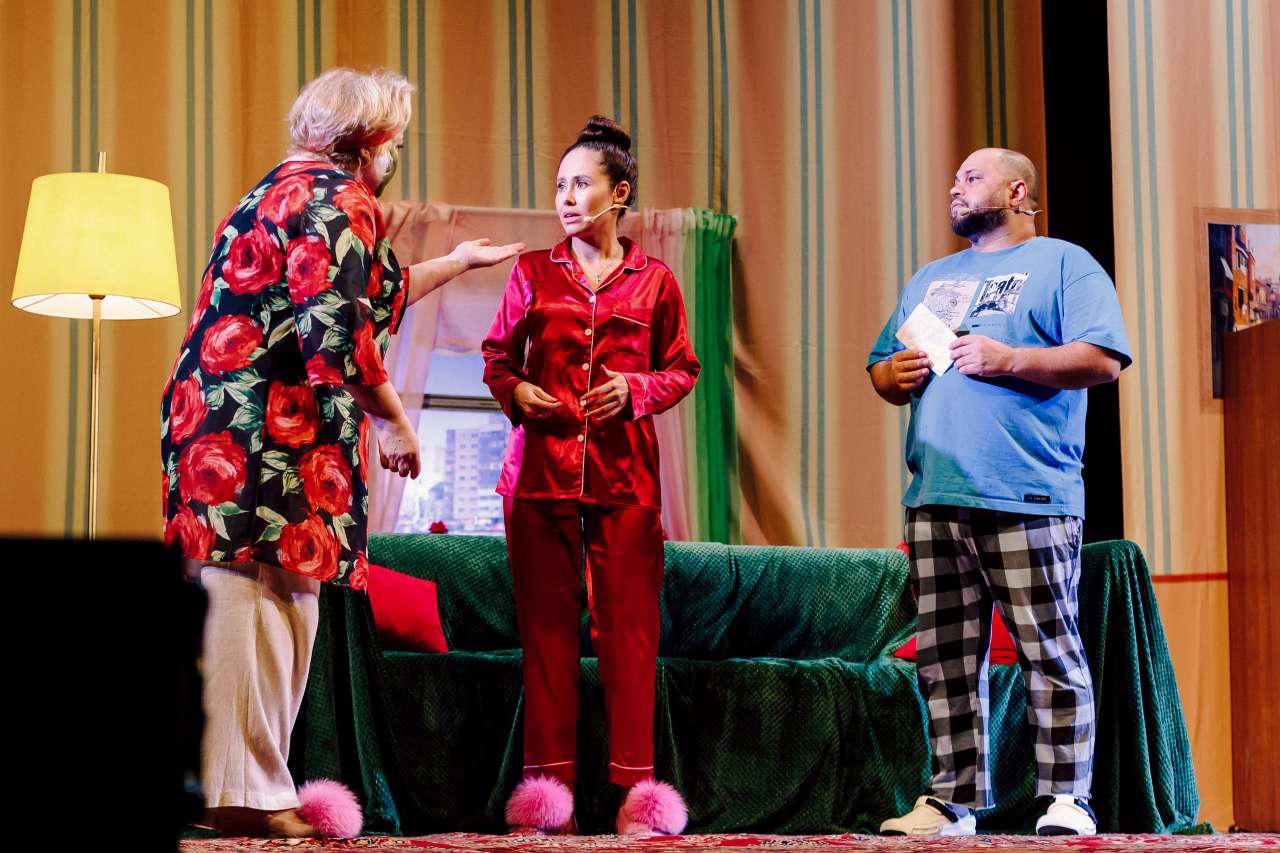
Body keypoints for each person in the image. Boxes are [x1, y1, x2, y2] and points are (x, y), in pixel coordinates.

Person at [160, 67, 522, 838]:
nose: (396, 156)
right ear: (373, 141)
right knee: (262, 599)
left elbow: (369, 294)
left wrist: (458, 262)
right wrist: (393, 421)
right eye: (397, 141)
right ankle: (246, 793)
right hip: (263, 433)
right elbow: (338, 334)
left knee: (279, 600)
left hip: (230, 423)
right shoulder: (337, 199)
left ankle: (245, 787)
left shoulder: (279, 190)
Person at [867, 148, 1132, 837]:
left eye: (972, 177)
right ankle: (951, 801)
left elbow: (1103, 358)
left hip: (1028, 494)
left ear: (1018, 191)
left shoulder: (1065, 263)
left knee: (1048, 649)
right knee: (945, 657)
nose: (955, 187)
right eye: (954, 178)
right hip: (935, 494)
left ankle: (1066, 798)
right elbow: (882, 370)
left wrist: (1008, 357)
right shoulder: (931, 277)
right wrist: (894, 374)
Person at [482, 115, 699, 836]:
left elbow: (682, 369)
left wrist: (636, 390)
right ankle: (548, 796)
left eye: (581, 184)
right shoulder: (531, 273)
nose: (567, 198)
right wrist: (517, 391)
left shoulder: (655, 280)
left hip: (624, 478)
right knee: (547, 635)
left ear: (619, 192)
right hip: (538, 477)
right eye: (559, 186)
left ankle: (639, 795)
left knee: (630, 636)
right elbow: (497, 357)